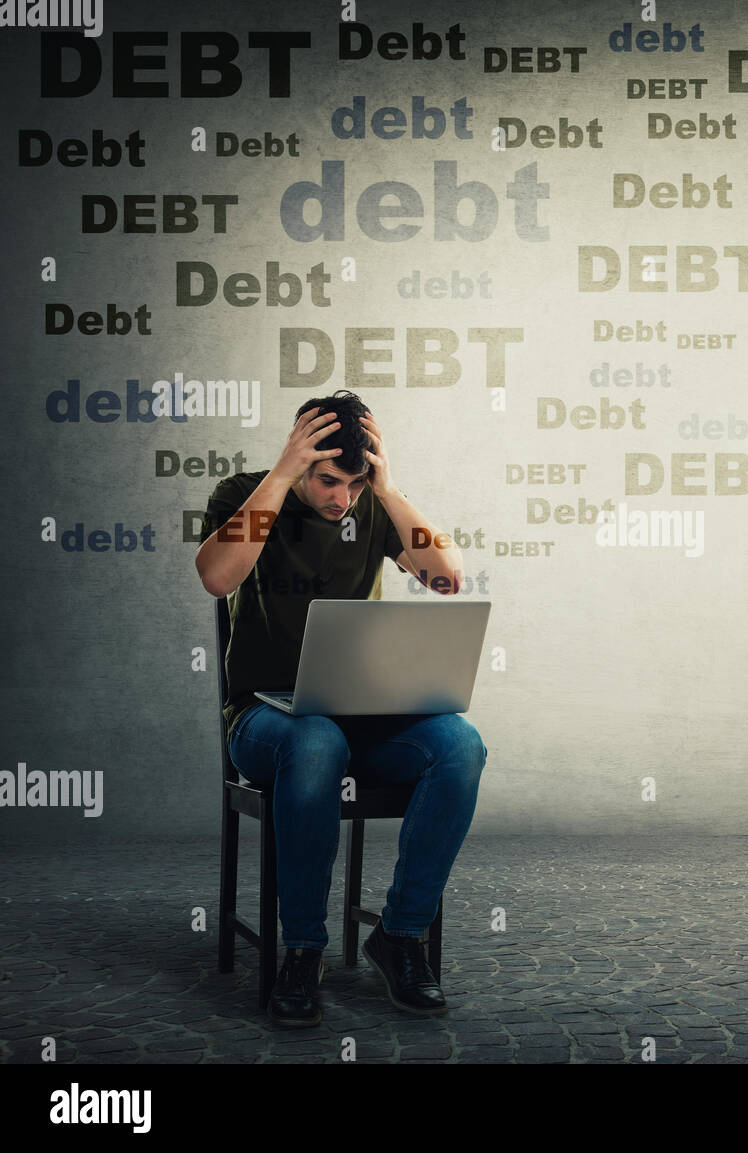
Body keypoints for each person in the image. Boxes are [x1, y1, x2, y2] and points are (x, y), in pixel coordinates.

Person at [195, 389, 487, 1027]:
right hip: (264, 718)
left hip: (361, 715)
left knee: (460, 745)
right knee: (315, 740)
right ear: (302, 461)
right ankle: (302, 949)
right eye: (329, 480)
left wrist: (387, 491)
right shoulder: (245, 493)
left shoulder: (371, 507)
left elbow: (447, 578)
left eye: (355, 484)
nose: (340, 499)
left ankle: (401, 935)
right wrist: (279, 476)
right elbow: (217, 577)